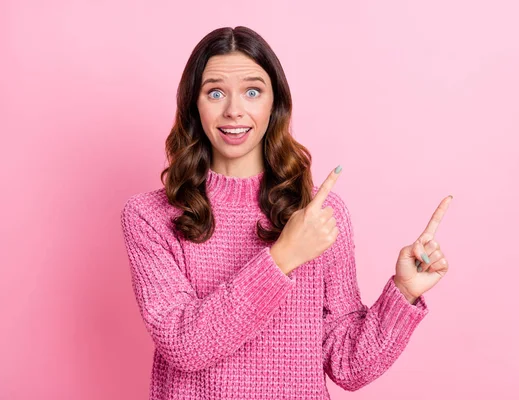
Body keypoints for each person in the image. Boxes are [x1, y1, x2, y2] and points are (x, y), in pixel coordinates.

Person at [120, 25, 452, 400]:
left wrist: (403, 294)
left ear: (274, 104)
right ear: (194, 106)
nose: (234, 110)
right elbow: (185, 345)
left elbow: (347, 365)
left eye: (252, 91)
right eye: (215, 92)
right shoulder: (149, 216)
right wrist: (283, 257)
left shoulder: (319, 216)